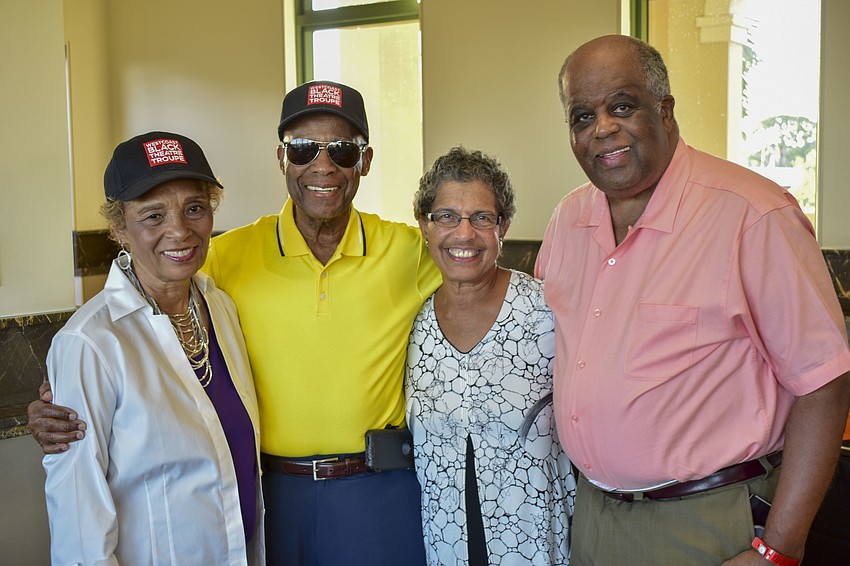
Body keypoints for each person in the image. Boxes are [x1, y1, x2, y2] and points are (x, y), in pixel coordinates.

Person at [30, 81, 440, 565]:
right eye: (304, 148)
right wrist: (69, 391)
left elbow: (481, 288)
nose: (323, 166)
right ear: (282, 159)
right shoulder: (224, 260)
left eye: (343, 151)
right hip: (275, 496)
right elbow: (130, 320)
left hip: (372, 491)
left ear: (365, 161)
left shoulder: (411, 251)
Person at [535, 34, 850, 565]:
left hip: (707, 523)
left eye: (622, 106)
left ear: (665, 110)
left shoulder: (753, 215)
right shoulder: (568, 219)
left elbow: (825, 384)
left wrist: (779, 550)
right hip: (591, 515)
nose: (602, 128)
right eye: (582, 116)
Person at [42, 131, 264, 565]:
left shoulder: (221, 307)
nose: (179, 230)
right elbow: (78, 520)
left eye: (194, 209)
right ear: (119, 227)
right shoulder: (89, 343)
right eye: (153, 216)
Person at [407, 146, 575, 565]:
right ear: (425, 226)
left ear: (503, 227)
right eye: (446, 216)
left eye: (482, 218)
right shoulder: (413, 327)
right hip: (445, 546)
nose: (463, 234)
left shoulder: (548, 311)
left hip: (538, 547)